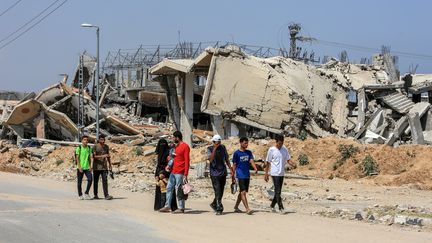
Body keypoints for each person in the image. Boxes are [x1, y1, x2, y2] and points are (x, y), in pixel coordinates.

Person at [159, 131, 190, 213]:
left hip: (180, 172)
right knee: (169, 188)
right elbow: (174, 158)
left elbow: (187, 161)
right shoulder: (176, 147)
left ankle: (181, 208)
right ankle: (167, 206)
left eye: (173, 137)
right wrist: (169, 160)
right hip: (173, 171)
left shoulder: (185, 147)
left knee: (179, 189)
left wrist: (185, 174)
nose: (173, 139)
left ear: (177, 138)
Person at [264, 134, 296, 213]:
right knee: (278, 191)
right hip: (274, 173)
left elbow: (288, 159)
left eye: (282, 143)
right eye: (279, 143)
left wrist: (293, 164)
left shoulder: (284, 149)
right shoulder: (272, 150)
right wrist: (266, 173)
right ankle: (281, 208)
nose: (280, 145)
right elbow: (268, 162)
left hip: (281, 173)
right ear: (276, 142)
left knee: (278, 191)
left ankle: (272, 206)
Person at [207, 134, 235, 215]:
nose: (218, 144)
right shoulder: (209, 149)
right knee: (217, 190)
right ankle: (219, 208)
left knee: (221, 191)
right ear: (213, 142)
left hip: (222, 172)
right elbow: (211, 160)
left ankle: (214, 203)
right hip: (214, 173)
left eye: (219, 142)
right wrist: (214, 149)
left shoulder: (223, 148)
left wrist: (231, 169)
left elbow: (226, 158)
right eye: (216, 142)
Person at [232, 137, 258, 215]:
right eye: (245, 143)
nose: (246, 145)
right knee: (243, 192)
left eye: (247, 143)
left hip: (247, 175)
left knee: (242, 192)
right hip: (240, 175)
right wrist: (233, 175)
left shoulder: (249, 152)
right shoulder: (236, 153)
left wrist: (255, 168)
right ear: (241, 143)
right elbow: (234, 164)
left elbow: (251, 160)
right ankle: (247, 209)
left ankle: (236, 207)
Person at [154, 138, 177, 211]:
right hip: (159, 173)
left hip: (167, 173)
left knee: (169, 189)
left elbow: (170, 164)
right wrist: (156, 175)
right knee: (159, 190)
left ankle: (170, 206)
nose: (162, 146)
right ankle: (160, 206)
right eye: (161, 145)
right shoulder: (159, 155)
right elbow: (158, 165)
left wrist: (164, 173)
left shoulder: (168, 153)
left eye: (163, 145)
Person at [92, 135, 113, 200]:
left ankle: (106, 195)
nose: (103, 141)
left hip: (104, 167)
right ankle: (95, 195)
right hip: (96, 167)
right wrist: (102, 156)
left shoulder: (106, 147)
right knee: (96, 181)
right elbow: (94, 156)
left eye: (103, 139)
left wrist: (110, 165)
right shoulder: (95, 146)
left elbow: (108, 156)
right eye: (101, 139)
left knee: (105, 180)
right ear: (99, 140)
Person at [75, 135, 93, 200]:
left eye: (87, 140)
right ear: (82, 140)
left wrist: (91, 166)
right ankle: (80, 194)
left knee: (90, 179)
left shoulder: (89, 148)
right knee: (79, 182)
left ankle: (86, 193)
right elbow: (77, 158)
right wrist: (79, 167)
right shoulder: (79, 148)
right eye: (85, 140)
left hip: (87, 167)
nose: (86, 141)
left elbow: (90, 158)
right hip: (80, 168)